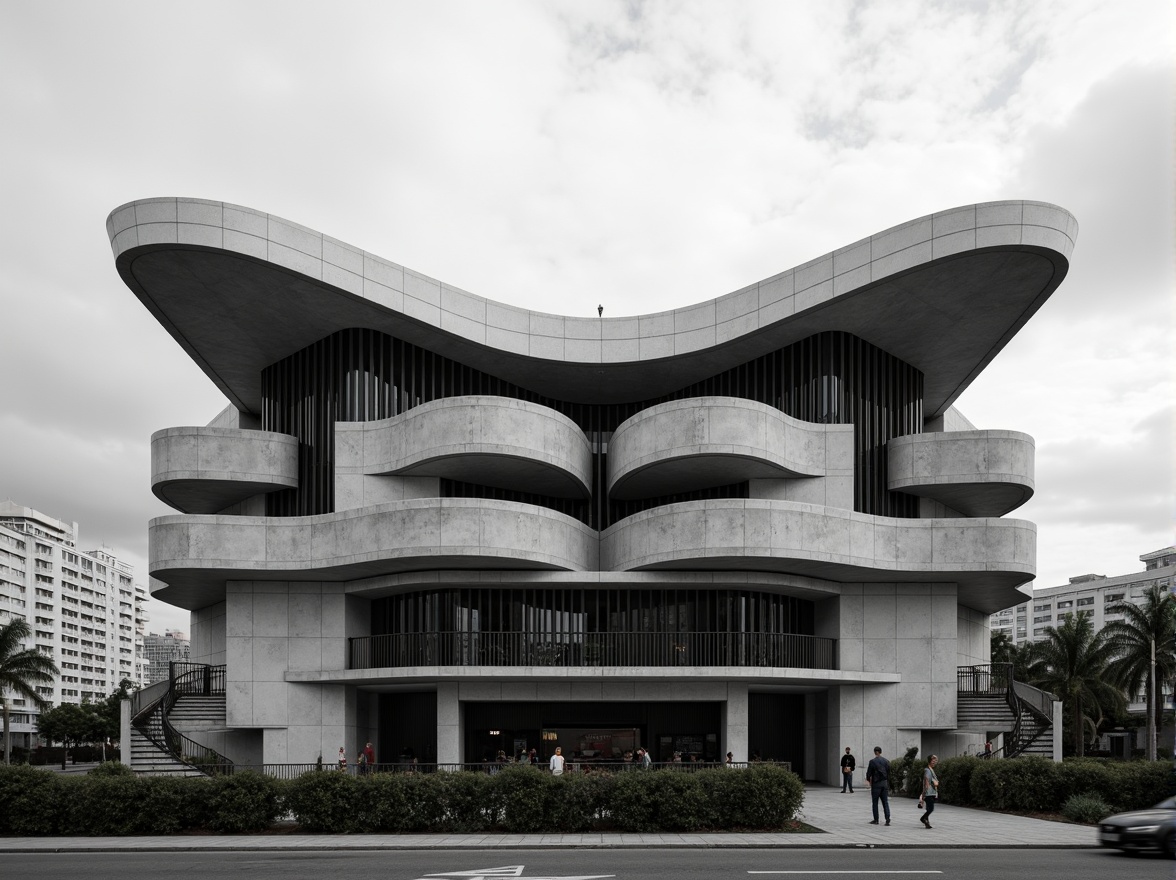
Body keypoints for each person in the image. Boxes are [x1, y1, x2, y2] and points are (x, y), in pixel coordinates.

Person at [864, 746, 891, 825]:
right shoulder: (886, 761)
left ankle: (876, 819)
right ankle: (887, 818)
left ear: (874, 752)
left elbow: (869, 773)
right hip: (884, 783)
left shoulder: (872, 762)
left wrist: (869, 780)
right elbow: (889, 772)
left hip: (876, 784)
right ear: (880, 752)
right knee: (885, 802)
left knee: (875, 802)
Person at [918, 754, 939, 828]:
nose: (934, 763)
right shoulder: (927, 770)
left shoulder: (931, 769)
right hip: (929, 793)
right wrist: (924, 793)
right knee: (931, 809)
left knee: (928, 808)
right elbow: (926, 781)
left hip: (932, 792)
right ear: (929, 761)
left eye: (935, 761)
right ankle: (923, 818)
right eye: (932, 761)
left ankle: (927, 823)